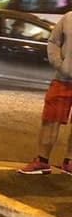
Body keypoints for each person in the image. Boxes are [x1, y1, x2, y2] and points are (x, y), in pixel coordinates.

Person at [19, 10, 72, 175]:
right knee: (50, 120)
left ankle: (70, 162)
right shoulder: (69, 18)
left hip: (64, 77)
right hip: (64, 79)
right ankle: (42, 161)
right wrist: (61, 66)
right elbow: (54, 41)